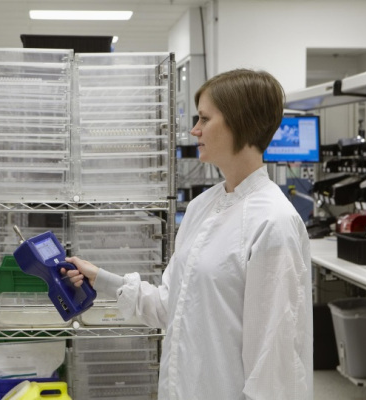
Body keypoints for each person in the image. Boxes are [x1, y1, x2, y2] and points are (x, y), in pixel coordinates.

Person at [64, 69, 313, 399]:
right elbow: (173, 306)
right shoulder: (202, 208)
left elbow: (274, 366)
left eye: (205, 119)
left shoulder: (273, 223)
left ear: (242, 122)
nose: (195, 130)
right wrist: (102, 279)